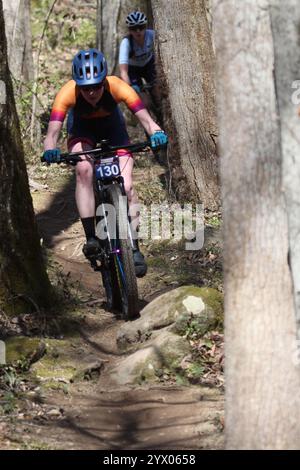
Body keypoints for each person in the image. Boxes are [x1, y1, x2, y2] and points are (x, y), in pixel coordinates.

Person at [43, 48, 167, 278]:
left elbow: (147, 120)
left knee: (128, 188)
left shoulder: (118, 86)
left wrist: (156, 132)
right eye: (85, 87)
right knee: (83, 169)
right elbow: (52, 133)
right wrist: (50, 149)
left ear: (103, 81)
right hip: (82, 133)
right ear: (77, 84)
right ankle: (91, 237)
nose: (91, 92)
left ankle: (135, 247)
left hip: (114, 132)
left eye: (96, 86)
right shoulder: (67, 92)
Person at [119, 11, 159, 116]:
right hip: (133, 70)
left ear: (145, 27)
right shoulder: (126, 43)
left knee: (158, 92)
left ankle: (162, 116)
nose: (138, 31)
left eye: (141, 27)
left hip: (149, 64)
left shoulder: (152, 35)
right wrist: (130, 87)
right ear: (129, 30)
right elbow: (123, 71)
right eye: (134, 28)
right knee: (144, 102)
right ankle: (149, 127)